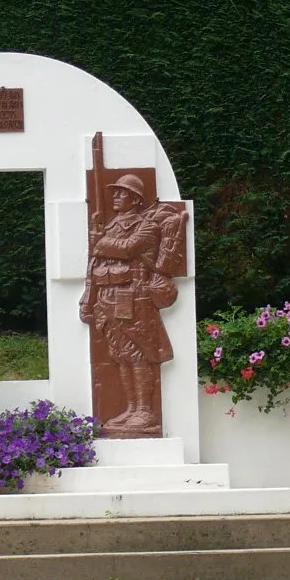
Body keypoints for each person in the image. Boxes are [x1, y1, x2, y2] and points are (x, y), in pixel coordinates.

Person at [80, 173, 185, 436]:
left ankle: (146, 413)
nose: (115, 196)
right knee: (120, 354)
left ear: (136, 199)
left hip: (132, 296)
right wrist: (89, 298)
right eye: (115, 192)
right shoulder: (110, 226)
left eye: (122, 193)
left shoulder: (145, 227)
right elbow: (96, 265)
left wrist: (99, 241)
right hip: (108, 297)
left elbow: (128, 249)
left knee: (137, 353)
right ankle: (131, 408)